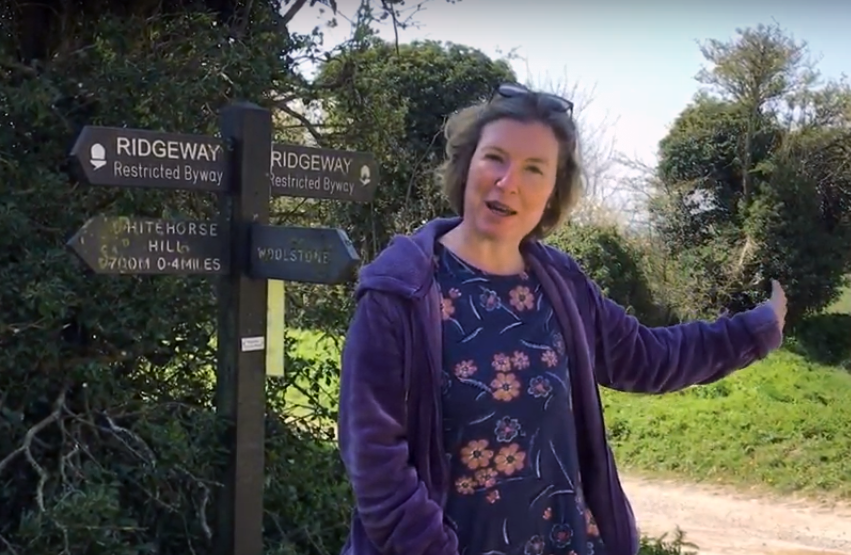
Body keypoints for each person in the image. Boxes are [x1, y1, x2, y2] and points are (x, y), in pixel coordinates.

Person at [337, 83, 787, 555]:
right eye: (495, 157)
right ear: (467, 165)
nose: (508, 181)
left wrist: (754, 329)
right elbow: (375, 463)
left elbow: (648, 357)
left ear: (553, 191)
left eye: (534, 169)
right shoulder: (400, 291)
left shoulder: (560, 283)